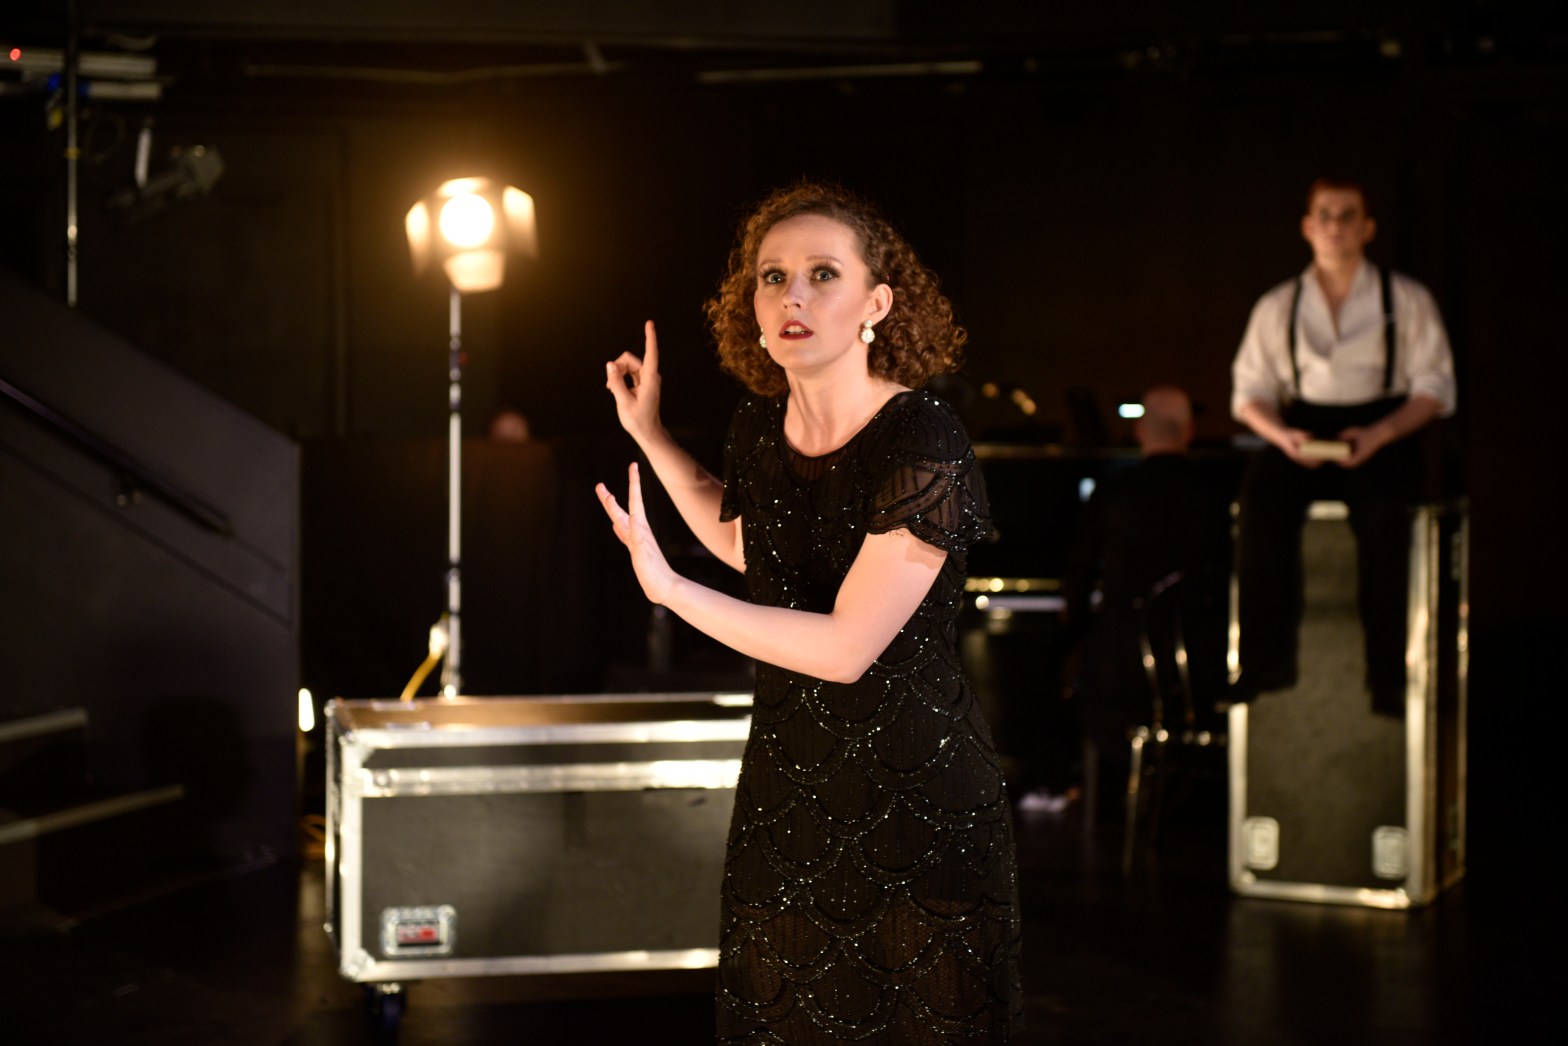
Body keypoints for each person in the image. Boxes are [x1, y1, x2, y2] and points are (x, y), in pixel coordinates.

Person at [596, 181, 1022, 1043]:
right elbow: (749, 546)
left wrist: (672, 591)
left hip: (917, 801)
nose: (793, 295)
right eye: (773, 276)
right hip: (789, 791)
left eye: (823, 274)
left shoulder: (922, 438)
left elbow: (846, 647)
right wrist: (649, 432)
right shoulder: (758, 429)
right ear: (751, 309)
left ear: (876, 305)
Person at [1231, 176, 1456, 715]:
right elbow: (1250, 393)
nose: (1335, 226)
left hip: (1383, 427)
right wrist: (1284, 436)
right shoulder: (1279, 304)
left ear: (1367, 227)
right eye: (1325, 216)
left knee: (1385, 517)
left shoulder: (1407, 299)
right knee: (1261, 501)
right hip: (1303, 428)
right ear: (1308, 227)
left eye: (1347, 215)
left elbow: (1435, 387)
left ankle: (1389, 676)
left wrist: (1380, 433)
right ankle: (1265, 663)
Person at [1059, 387, 1230, 815]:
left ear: (1139, 432)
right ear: (1190, 431)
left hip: (1124, 672)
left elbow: (1077, 577)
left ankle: (1107, 799)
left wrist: (1072, 635)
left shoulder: (1113, 492)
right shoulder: (1215, 494)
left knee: (1079, 676)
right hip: (1201, 669)